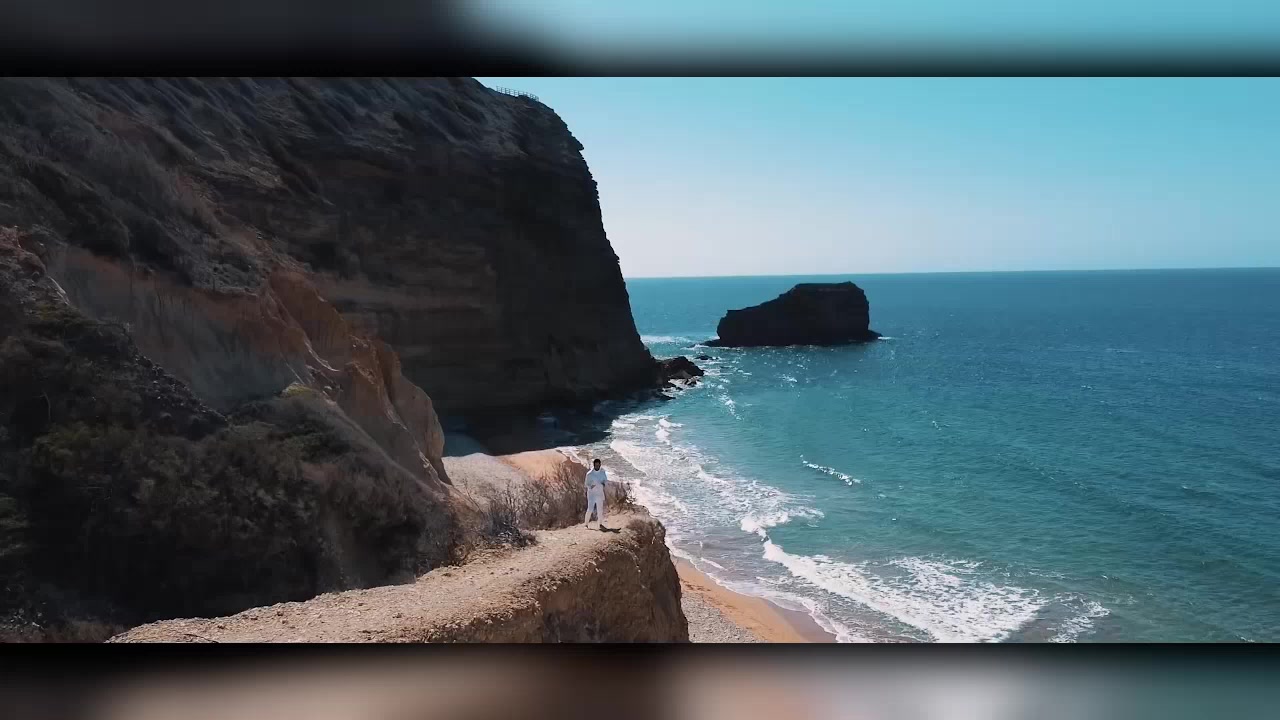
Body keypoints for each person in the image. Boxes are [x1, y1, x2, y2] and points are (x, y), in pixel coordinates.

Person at [584, 458, 608, 529]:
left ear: (600, 465)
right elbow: (586, 484)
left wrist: (603, 483)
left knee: (600, 509)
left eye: (598, 465)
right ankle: (586, 524)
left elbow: (605, 480)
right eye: (596, 465)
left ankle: (600, 524)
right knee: (590, 509)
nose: (597, 467)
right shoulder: (589, 474)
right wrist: (591, 486)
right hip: (591, 494)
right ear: (594, 465)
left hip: (600, 493)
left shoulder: (602, 472)